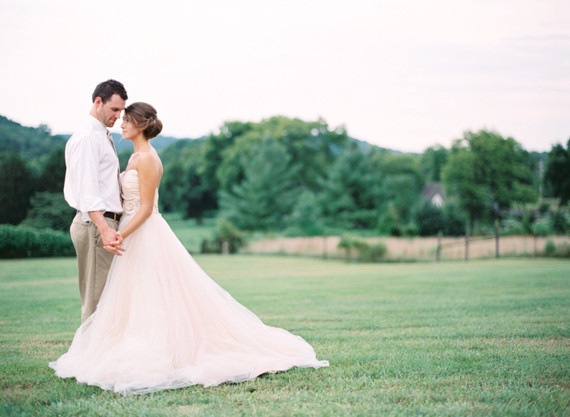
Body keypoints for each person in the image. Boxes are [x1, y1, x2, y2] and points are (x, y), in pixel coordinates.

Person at [50, 103, 328, 395]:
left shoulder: (149, 158)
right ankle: (127, 345)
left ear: (141, 125)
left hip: (142, 231)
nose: (122, 124)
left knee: (151, 292)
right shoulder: (133, 157)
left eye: (128, 120)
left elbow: (146, 208)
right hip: (128, 231)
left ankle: (162, 351)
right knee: (134, 294)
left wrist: (121, 234)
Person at [63, 79, 128, 323]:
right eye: (114, 109)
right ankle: (88, 349)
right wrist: (104, 229)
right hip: (96, 226)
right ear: (98, 102)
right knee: (96, 301)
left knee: (107, 299)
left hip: (104, 224)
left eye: (121, 111)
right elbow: (87, 190)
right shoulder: (88, 138)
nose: (118, 116)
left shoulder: (101, 135)